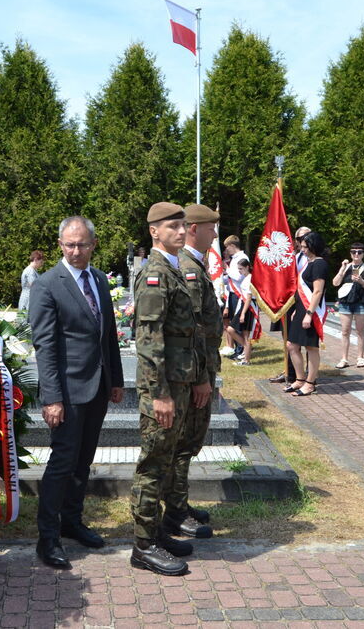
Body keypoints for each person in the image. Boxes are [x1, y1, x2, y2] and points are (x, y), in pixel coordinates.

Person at [28, 216, 123, 570]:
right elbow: (45, 347)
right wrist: (51, 397)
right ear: (59, 245)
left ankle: (72, 521)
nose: (76, 250)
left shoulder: (98, 279)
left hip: (97, 388)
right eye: (69, 244)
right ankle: (47, 537)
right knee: (61, 463)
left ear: (93, 244)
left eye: (82, 244)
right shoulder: (47, 285)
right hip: (66, 392)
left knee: (83, 461)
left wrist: (115, 379)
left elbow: (108, 333)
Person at [129, 202, 203, 577]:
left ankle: (156, 533)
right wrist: (159, 395)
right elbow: (149, 340)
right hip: (163, 390)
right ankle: (143, 546)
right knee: (153, 465)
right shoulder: (154, 273)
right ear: (154, 231)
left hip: (180, 384)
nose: (181, 230)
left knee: (168, 459)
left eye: (183, 225)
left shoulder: (174, 270)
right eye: (173, 226)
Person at [164, 203, 221, 544]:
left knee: (189, 442)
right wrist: (201, 378)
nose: (215, 234)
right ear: (195, 229)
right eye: (211, 228)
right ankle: (175, 511)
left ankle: (178, 504)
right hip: (192, 372)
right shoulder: (187, 267)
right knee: (183, 443)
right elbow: (195, 329)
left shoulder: (194, 265)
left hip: (200, 368)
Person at [284, 231, 329, 397]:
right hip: (302, 308)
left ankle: (310, 383)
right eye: (301, 246)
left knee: (311, 347)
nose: (302, 249)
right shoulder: (309, 263)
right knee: (292, 345)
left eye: (304, 246)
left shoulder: (319, 264)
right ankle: (300, 379)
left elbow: (317, 292)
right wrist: (298, 309)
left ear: (313, 246)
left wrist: (309, 313)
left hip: (311, 310)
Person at [268, 226, 311, 386]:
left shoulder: (313, 258)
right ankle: (290, 372)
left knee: (307, 342)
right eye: (299, 239)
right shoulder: (293, 256)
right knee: (289, 339)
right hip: (289, 301)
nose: (302, 242)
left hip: (305, 303)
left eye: (306, 238)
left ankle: (308, 376)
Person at [331, 242, 364, 368]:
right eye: (353, 252)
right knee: (345, 331)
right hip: (346, 302)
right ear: (350, 253)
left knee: (360, 331)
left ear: (363, 254)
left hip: (361, 302)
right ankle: (344, 359)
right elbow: (335, 283)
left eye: (359, 252)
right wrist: (342, 269)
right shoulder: (346, 267)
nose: (356, 254)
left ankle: (360, 357)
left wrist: (361, 281)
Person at [220, 236, 248, 359]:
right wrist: (223, 277)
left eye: (227, 247)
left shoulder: (242, 258)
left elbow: (239, 277)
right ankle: (238, 348)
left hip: (239, 294)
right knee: (232, 322)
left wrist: (227, 269)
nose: (227, 250)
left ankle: (243, 350)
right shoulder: (234, 259)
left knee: (237, 325)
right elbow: (230, 279)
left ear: (232, 245)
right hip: (232, 293)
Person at [226, 258, 256, 366]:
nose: (239, 271)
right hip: (244, 306)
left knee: (246, 334)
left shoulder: (250, 278)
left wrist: (243, 313)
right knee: (231, 329)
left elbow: (248, 297)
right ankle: (246, 349)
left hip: (248, 307)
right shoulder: (246, 278)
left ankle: (246, 360)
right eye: (238, 269)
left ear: (247, 267)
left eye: (241, 269)